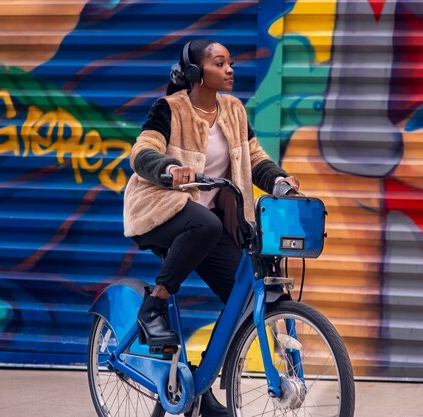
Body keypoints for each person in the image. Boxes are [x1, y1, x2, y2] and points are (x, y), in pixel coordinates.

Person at [122, 39, 300, 416]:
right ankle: (154, 306)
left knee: (243, 298)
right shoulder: (169, 109)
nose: (230, 69)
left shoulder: (234, 110)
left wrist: (280, 182)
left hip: (207, 224)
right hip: (160, 209)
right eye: (220, 63)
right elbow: (142, 152)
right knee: (203, 222)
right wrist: (170, 169)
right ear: (195, 73)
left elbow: (255, 159)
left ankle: (197, 386)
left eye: (230, 63)